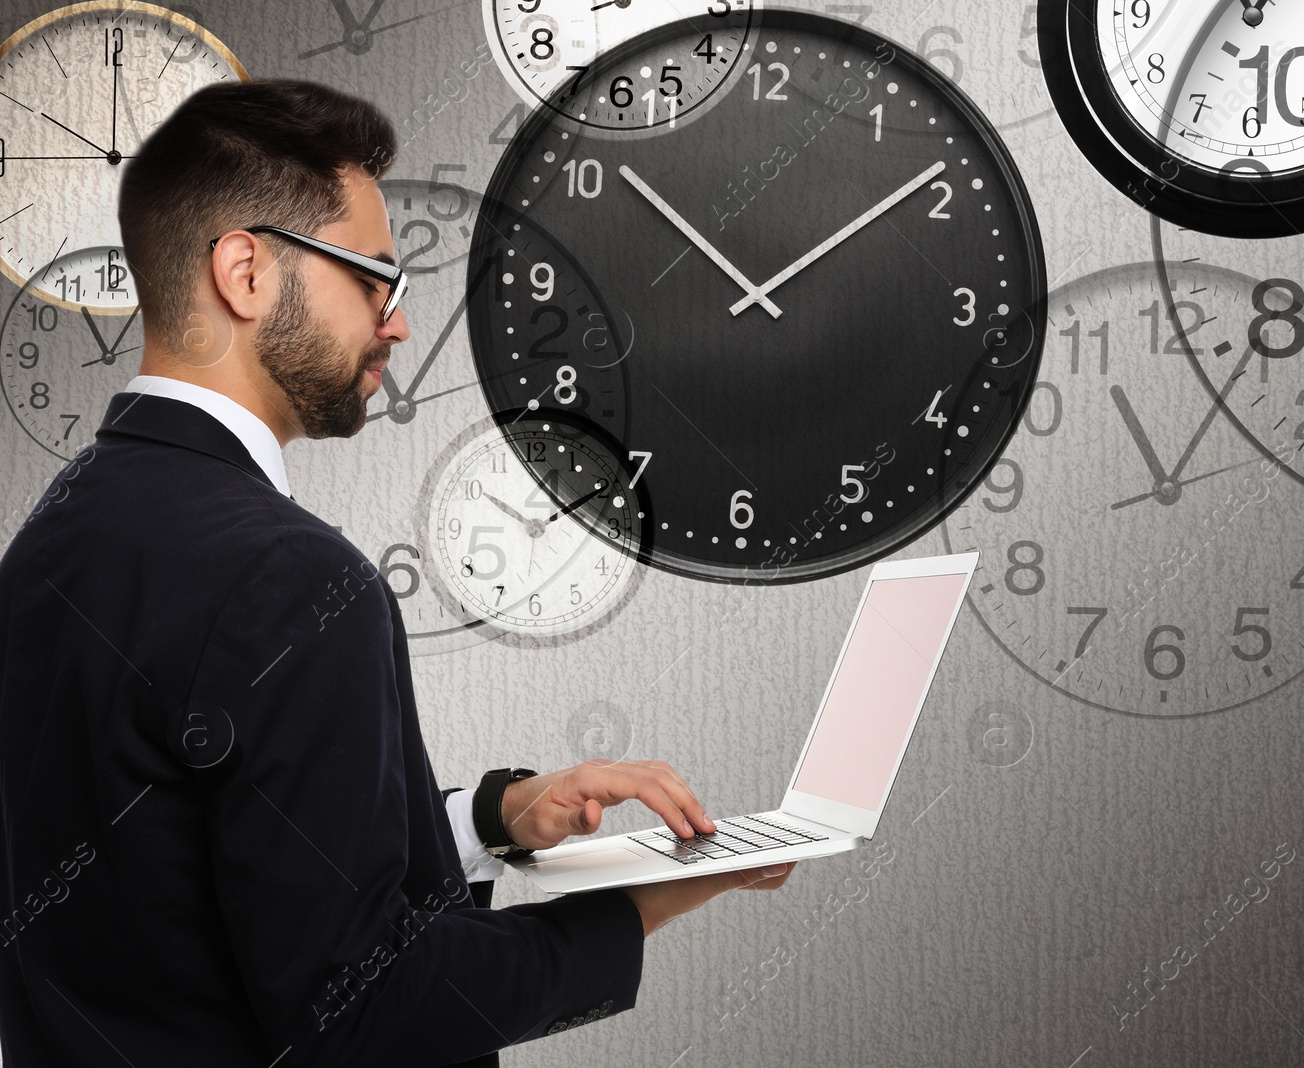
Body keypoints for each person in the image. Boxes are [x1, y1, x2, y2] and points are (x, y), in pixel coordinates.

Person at [0, 79, 792, 1067]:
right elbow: (370, 1010)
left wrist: (487, 820)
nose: (398, 324)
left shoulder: (51, 537)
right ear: (245, 274)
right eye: (373, 277)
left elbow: (180, 872)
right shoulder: (287, 575)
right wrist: (638, 904)